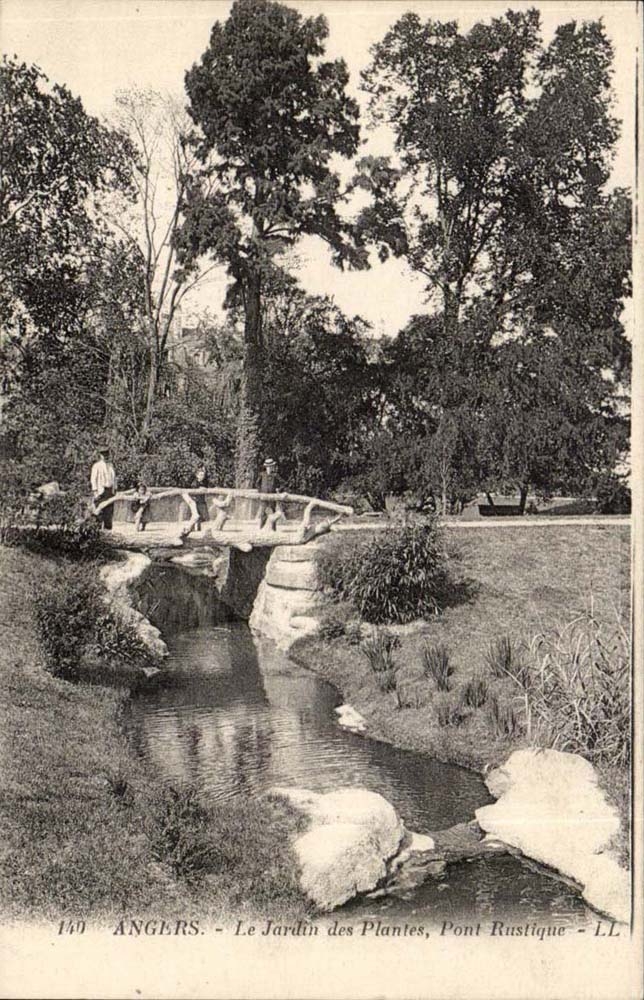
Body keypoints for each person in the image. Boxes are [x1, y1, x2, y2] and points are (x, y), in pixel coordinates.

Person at [90, 446, 117, 530]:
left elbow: (114, 478)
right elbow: (93, 479)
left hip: (110, 491)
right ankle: (97, 531)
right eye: (103, 454)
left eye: (107, 454)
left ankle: (107, 531)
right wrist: (95, 491)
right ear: (100, 455)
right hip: (101, 491)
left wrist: (115, 489)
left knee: (109, 512)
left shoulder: (110, 465)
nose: (105, 456)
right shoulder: (96, 466)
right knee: (99, 511)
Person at [190, 463, 211, 530]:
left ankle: (200, 529)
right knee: (196, 516)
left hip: (202, 501)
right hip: (196, 501)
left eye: (203, 475)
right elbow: (193, 491)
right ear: (197, 475)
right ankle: (192, 528)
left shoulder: (204, 482)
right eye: (201, 475)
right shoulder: (194, 483)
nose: (202, 476)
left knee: (205, 517)